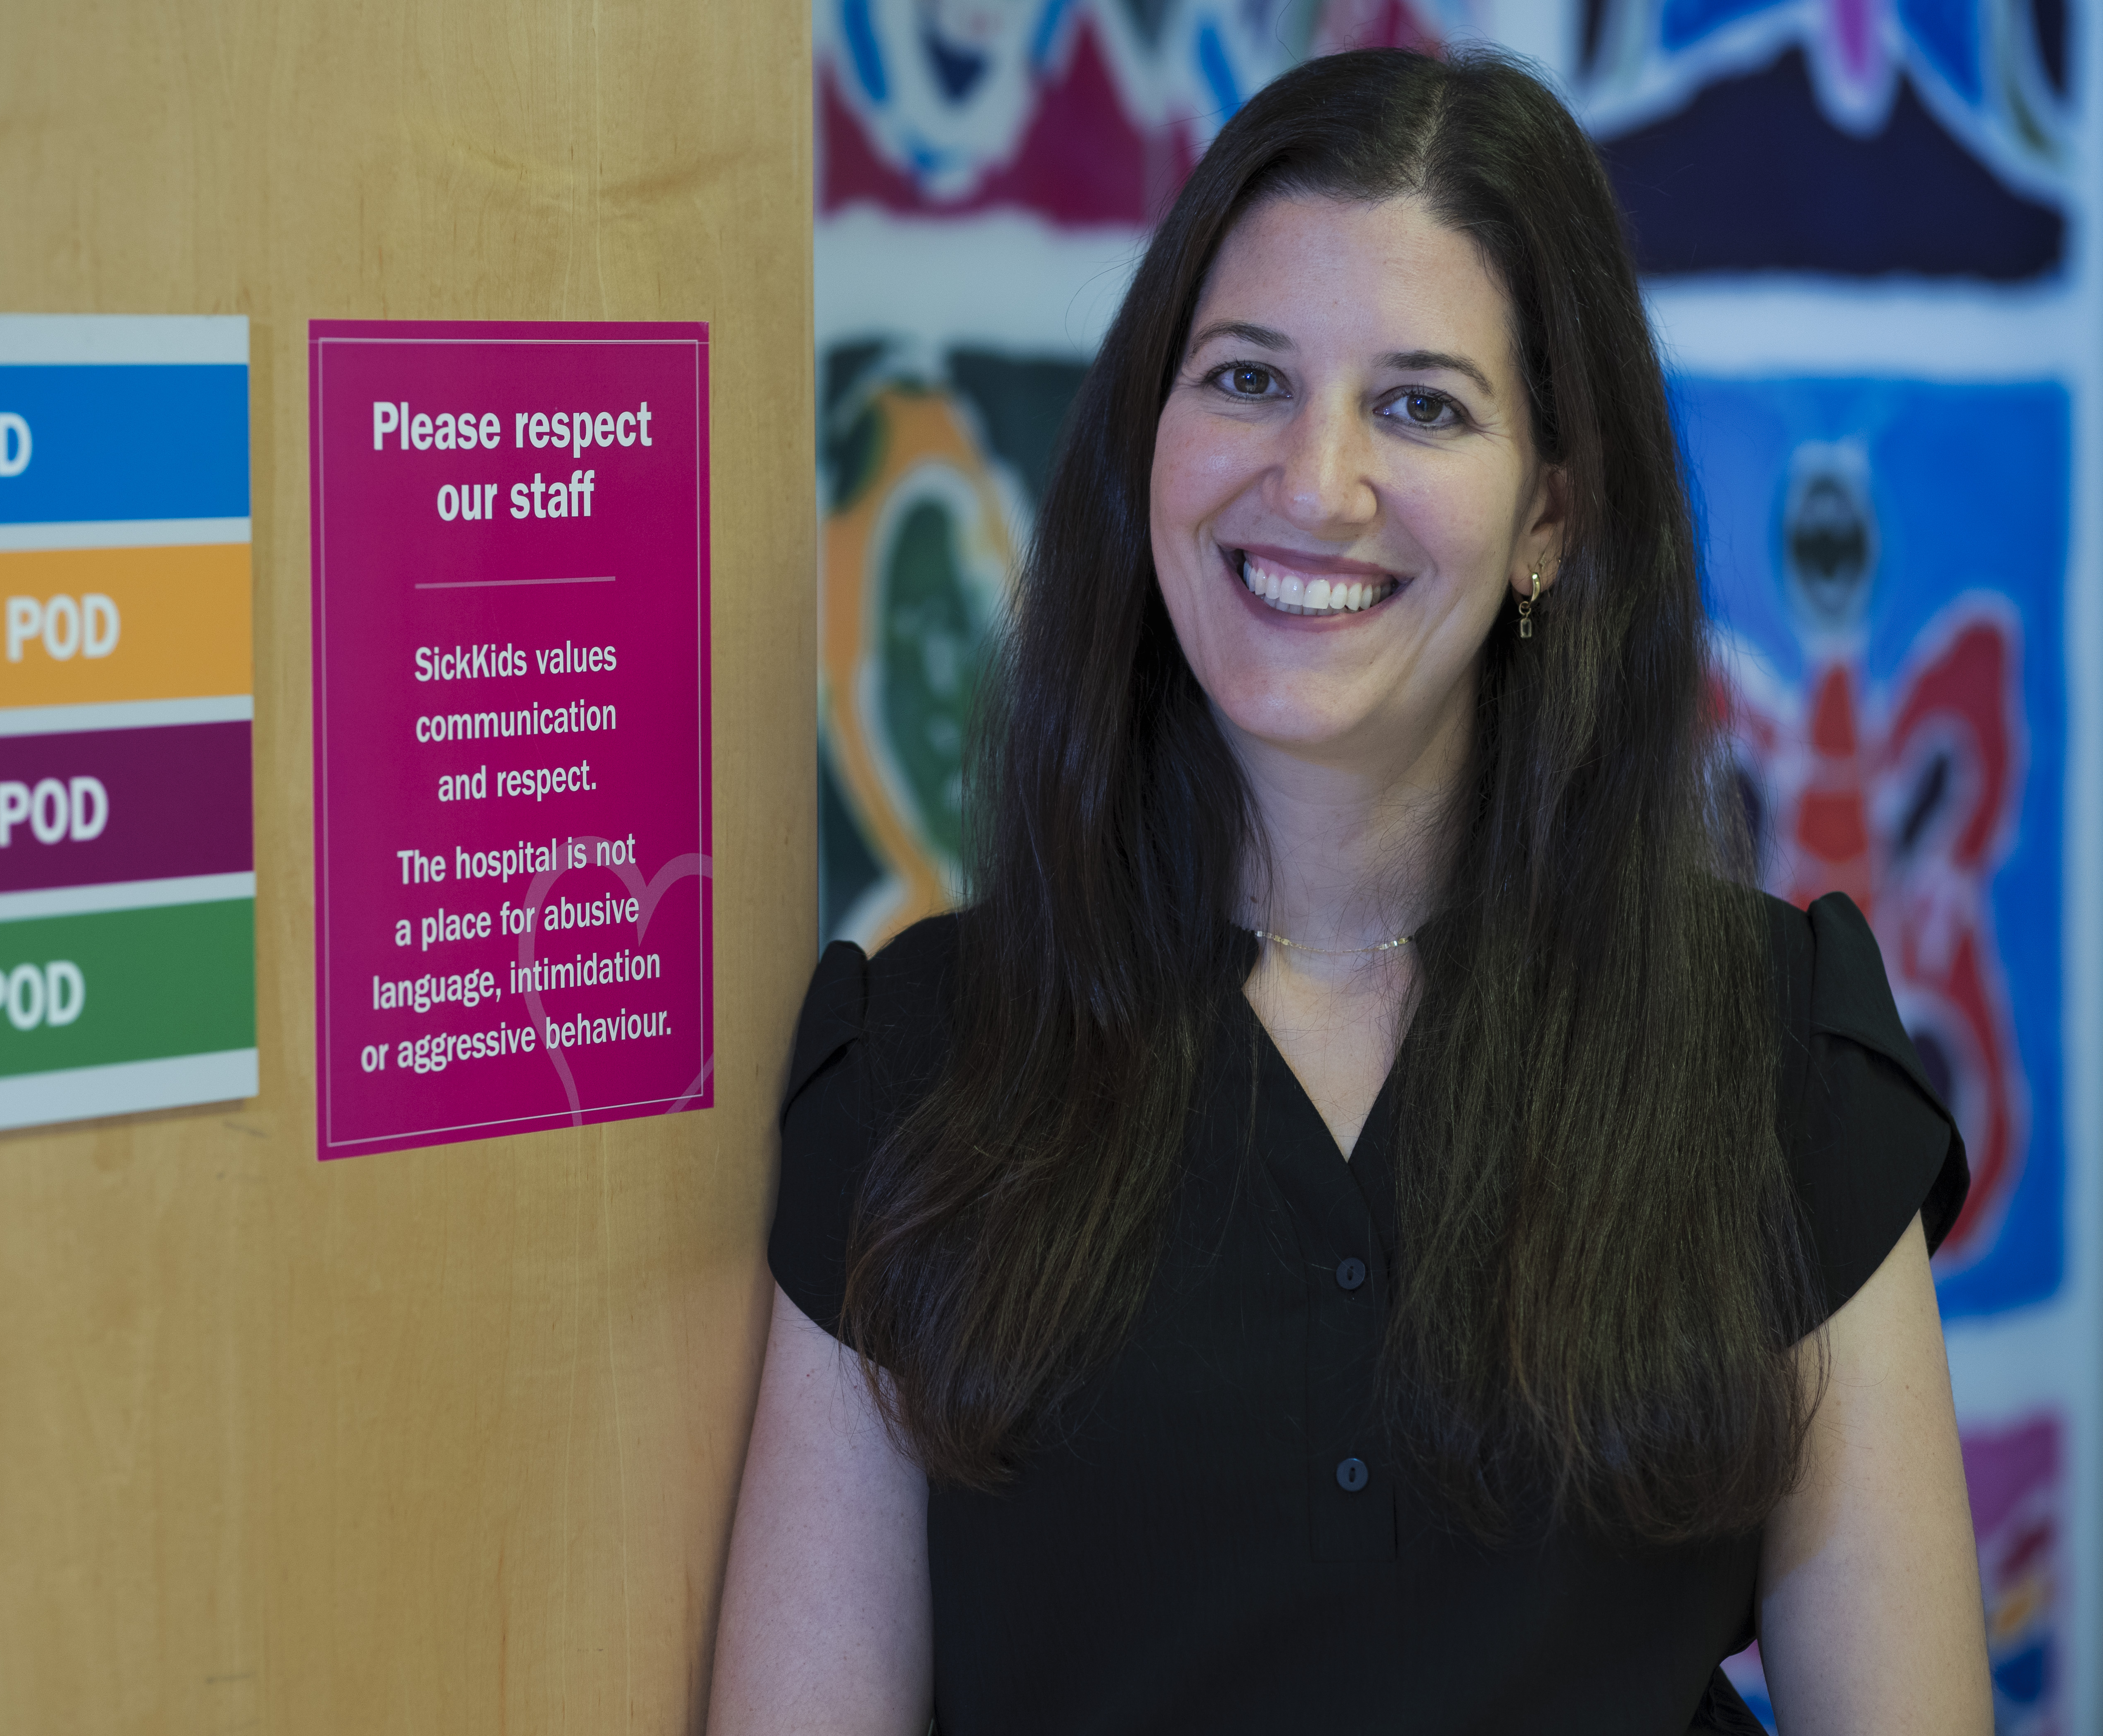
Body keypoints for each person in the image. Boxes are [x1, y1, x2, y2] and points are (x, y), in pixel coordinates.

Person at [710, 45, 1989, 1736]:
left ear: (1548, 514)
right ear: (1146, 434)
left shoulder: (1773, 1054)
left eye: (1417, 404)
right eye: (1243, 378)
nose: (1311, 481)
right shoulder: (915, 1066)